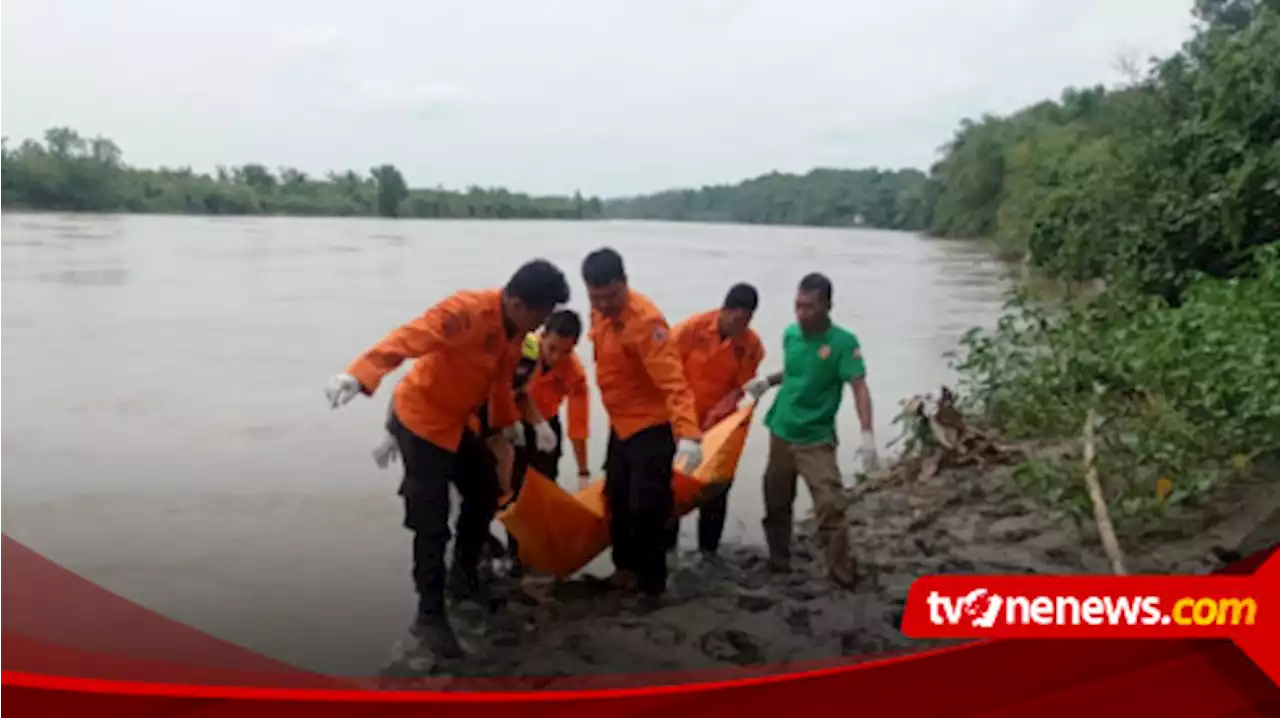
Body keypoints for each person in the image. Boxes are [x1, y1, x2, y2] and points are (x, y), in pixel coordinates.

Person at [324, 259, 570, 660]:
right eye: (536, 317)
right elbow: (409, 337)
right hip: (420, 421)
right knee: (431, 521)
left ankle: (464, 577)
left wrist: (512, 428)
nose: (536, 330)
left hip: (457, 423)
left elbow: (500, 385)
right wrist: (361, 373)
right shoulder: (466, 311)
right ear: (514, 300)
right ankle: (429, 614)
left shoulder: (515, 331)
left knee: (484, 491)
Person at [744, 272, 879, 589]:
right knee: (776, 501)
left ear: (827, 306)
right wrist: (766, 382)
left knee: (830, 504)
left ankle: (841, 573)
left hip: (815, 438)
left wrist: (867, 434)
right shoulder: (791, 334)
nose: (802, 314)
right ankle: (778, 562)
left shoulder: (843, 343)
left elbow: (859, 387)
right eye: (798, 306)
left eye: (810, 307)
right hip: (781, 428)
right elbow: (795, 371)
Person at [582, 247, 702, 599]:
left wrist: (689, 434)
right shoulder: (597, 311)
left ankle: (652, 586)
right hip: (620, 424)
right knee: (616, 499)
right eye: (596, 297)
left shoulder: (647, 323)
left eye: (610, 297)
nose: (603, 305)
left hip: (651, 425)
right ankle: (624, 570)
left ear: (624, 283)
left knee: (646, 507)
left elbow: (674, 382)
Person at [661, 283, 765, 564]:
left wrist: (725, 406)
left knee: (716, 490)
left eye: (747, 321)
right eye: (737, 319)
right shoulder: (690, 331)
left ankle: (709, 553)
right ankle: (667, 552)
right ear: (725, 310)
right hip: (681, 422)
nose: (740, 327)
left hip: (722, 427)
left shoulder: (751, 346)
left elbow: (742, 390)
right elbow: (667, 375)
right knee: (674, 489)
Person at [505, 308, 592, 577]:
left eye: (565, 352)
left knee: (543, 491)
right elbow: (500, 391)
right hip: (511, 424)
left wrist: (583, 471)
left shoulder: (574, 373)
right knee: (510, 492)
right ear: (541, 336)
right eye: (552, 348)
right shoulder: (520, 352)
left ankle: (537, 554)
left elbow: (579, 424)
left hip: (546, 428)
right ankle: (513, 556)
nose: (556, 358)